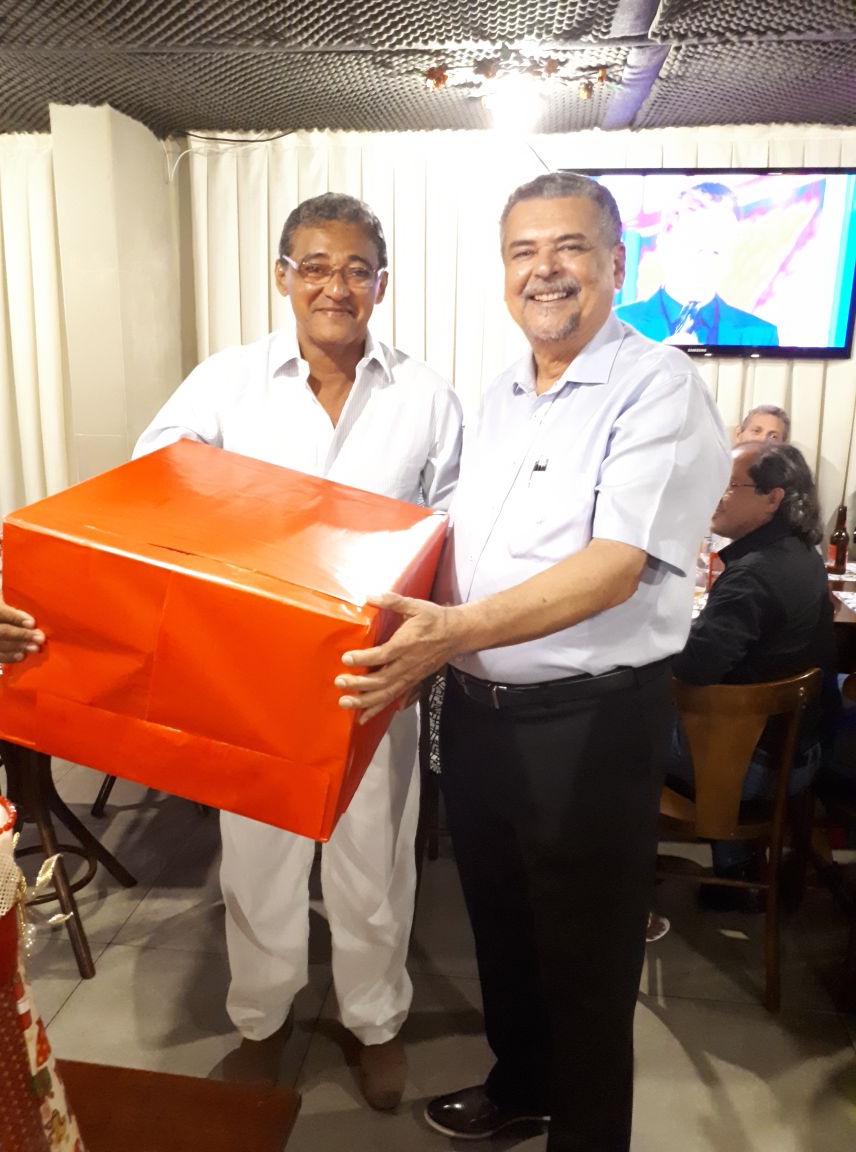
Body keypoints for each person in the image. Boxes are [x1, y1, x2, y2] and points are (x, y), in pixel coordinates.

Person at [0, 192, 463, 1110]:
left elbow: (454, 531)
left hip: (372, 680)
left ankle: (376, 1021)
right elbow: (144, 504)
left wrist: (432, 645)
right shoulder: (225, 384)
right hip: (249, 680)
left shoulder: (426, 396)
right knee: (258, 865)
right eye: (316, 267)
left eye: (357, 269)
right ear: (283, 277)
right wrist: (41, 589)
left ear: (383, 284)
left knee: (374, 864)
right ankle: (262, 1020)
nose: (336, 286)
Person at [334, 172, 731, 1152]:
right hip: (479, 715)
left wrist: (451, 632)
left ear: (616, 264)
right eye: (524, 251)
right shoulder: (502, 391)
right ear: (504, 270)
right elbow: (464, 539)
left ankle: (585, 1134)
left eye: (569, 247)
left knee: (586, 962)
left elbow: (614, 566)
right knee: (501, 929)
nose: (544, 270)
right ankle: (523, 1086)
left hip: (586, 724)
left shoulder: (657, 386)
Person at [668, 441, 837, 899]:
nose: (715, 495)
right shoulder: (802, 554)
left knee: (611, 729)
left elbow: (694, 670)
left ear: (772, 498)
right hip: (797, 750)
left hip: (753, 766)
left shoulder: (752, 575)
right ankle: (734, 872)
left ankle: (617, 885)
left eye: (729, 486)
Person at [616, 182, 779, 348]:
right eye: (695, 244)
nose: (706, 261)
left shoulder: (761, 336)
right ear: (665, 238)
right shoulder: (616, 326)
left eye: (717, 250)